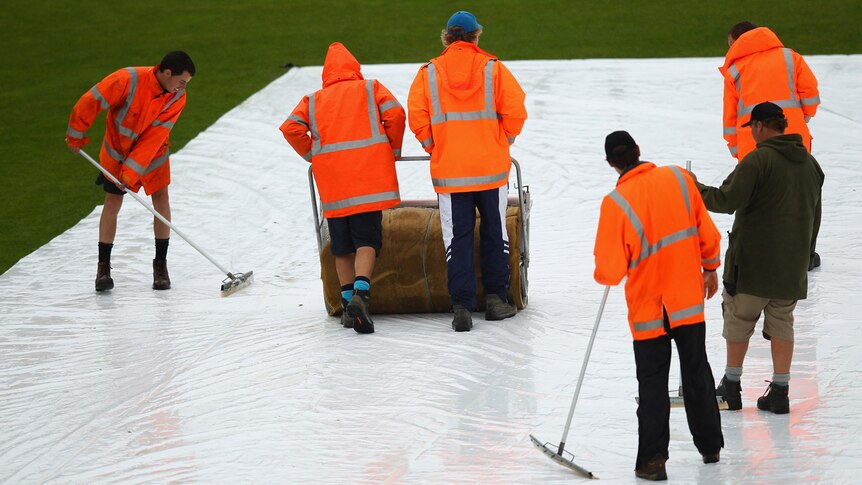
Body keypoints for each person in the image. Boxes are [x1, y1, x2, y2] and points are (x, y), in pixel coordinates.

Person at [594, 131, 724, 481]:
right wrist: (710, 269)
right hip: (686, 301)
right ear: (639, 151)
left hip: (649, 310)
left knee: (652, 383)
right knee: (697, 370)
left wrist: (608, 267)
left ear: (611, 163)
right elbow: (707, 235)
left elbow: (610, 270)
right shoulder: (679, 179)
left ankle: (653, 461)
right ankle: (711, 446)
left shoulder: (616, 203)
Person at [694, 102, 824, 415]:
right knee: (783, 325)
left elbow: (726, 200)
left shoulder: (758, 161)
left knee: (738, 320)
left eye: (751, 128)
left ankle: (732, 386)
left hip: (752, 265)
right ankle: (780, 391)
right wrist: (805, 256)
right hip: (790, 269)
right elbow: (815, 216)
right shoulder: (810, 164)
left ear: (760, 127)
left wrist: (691, 186)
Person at [407, 10, 527, 332]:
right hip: (490, 169)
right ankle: (496, 300)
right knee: (494, 232)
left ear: (447, 37)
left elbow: (417, 117)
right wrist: (502, 140)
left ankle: (461, 306)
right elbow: (516, 110)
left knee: (456, 238)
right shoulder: (493, 69)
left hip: (451, 171)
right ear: (476, 36)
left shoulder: (429, 73)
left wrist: (435, 146)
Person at [280, 42, 405, 334]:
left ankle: (348, 305)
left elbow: (290, 128)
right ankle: (361, 296)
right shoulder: (370, 88)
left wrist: (314, 154)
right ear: (355, 69)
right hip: (368, 182)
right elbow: (396, 114)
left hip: (334, 186)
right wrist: (393, 149)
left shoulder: (313, 100)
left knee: (342, 247)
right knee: (367, 242)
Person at [66, 51, 195, 292]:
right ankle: (103, 268)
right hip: (118, 151)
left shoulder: (177, 96)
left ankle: (160, 265)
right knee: (113, 202)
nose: (182, 87)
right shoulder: (127, 79)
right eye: (181, 81)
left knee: (161, 199)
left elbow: (154, 136)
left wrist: (130, 174)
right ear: (167, 73)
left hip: (154, 152)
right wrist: (76, 132)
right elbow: (91, 101)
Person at [721, 21, 822, 270]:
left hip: (752, 147)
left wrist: (737, 149)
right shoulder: (790, 57)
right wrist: (801, 119)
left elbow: (730, 118)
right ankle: (805, 256)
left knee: (756, 202)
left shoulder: (735, 71)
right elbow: (810, 94)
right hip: (794, 140)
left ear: (738, 41)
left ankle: (756, 255)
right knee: (803, 199)